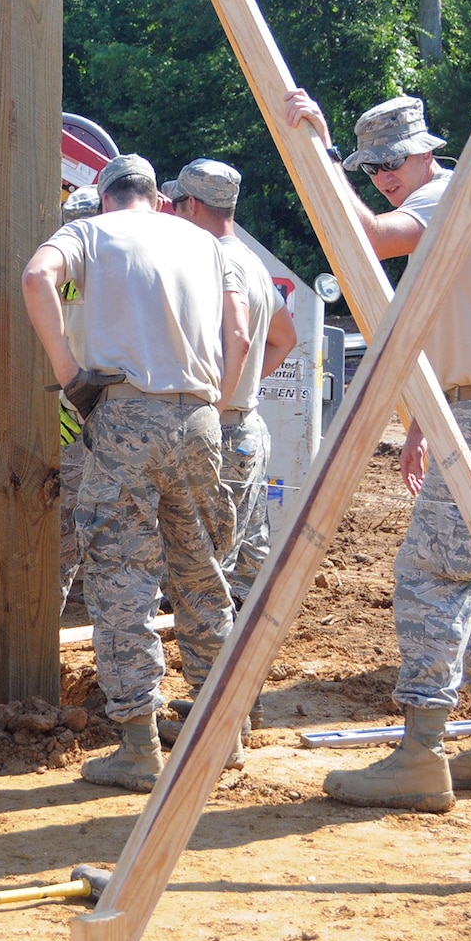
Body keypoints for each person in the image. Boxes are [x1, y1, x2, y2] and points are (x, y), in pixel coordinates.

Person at [285, 92, 471, 813]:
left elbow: (366, 238)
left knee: (430, 572)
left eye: (391, 162)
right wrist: (427, 422)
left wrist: (322, 149)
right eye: (372, 169)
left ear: (426, 151)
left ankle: (422, 753)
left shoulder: (448, 196)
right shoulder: (449, 207)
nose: (383, 177)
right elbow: (442, 313)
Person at [22, 154, 250, 792]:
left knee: (122, 579)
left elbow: (37, 278)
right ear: (159, 197)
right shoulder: (204, 242)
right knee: (203, 576)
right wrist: (219, 403)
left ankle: (139, 745)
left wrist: (70, 375)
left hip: (125, 416)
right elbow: (239, 330)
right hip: (201, 420)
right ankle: (222, 734)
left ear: (103, 197)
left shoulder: (90, 234)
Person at [164, 159, 298, 607]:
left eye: (178, 204)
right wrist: (240, 392)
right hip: (247, 426)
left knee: (207, 559)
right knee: (247, 548)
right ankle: (247, 644)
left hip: (223, 429)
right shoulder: (252, 260)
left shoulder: (219, 259)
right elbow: (285, 338)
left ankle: (218, 665)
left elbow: (239, 335)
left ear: (194, 205)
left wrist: (217, 406)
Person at [56, 182, 101, 602]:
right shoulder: (115, 274)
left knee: (65, 533)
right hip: (98, 418)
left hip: (75, 416)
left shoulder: (61, 274)